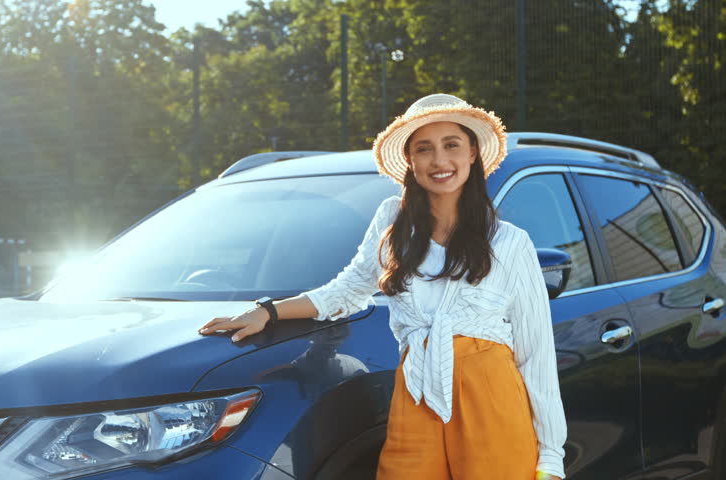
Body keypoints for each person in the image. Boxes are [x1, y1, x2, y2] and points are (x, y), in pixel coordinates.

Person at [199, 93, 567, 479]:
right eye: (424, 149)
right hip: (416, 392)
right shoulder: (394, 223)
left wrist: (550, 457)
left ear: (473, 152)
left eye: (452, 145)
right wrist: (268, 311)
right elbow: (347, 290)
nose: (439, 160)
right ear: (410, 159)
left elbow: (535, 353)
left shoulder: (509, 242)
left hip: (489, 393)